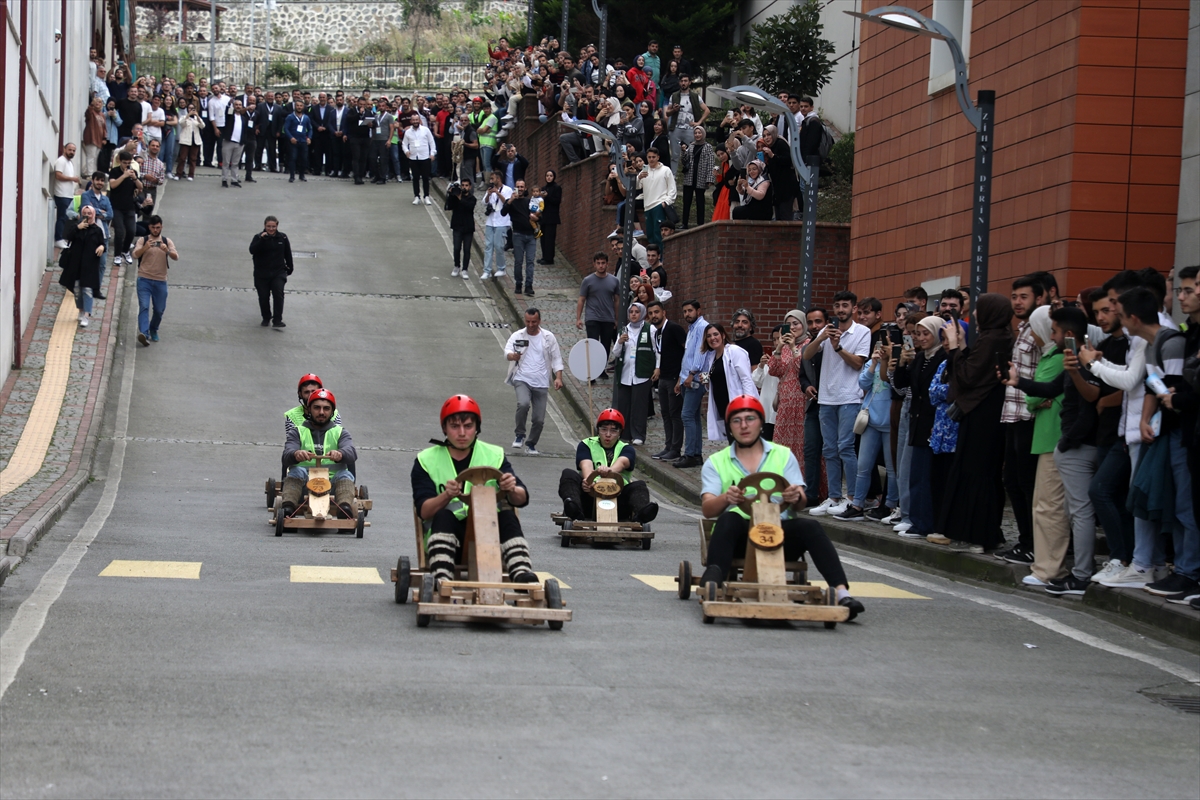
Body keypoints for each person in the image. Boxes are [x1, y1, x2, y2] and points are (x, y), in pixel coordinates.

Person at [697, 395, 864, 620]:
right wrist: (727, 498)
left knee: (811, 526)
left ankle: (842, 592)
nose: (744, 426)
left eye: (750, 419)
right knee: (729, 520)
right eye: (737, 421)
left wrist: (796, 496)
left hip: (778, 533)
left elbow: (802, 502)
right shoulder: (717, 461)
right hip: (739, 538)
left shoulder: (783, 455)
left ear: (760, 422)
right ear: (730, 427)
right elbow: (708, 508)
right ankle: (713, 580)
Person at [1004, 306, 1103, 594]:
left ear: (1069, 334)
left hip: (1070, 440)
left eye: (1056, 331)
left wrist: (1068, 439)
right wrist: (1018, 381)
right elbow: (1049, 390)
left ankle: (1062, 570)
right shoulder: (1069, 358)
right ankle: (1058, 568)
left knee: (1068, 509)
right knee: (1057, 507)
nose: (1051, 335)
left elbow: (1089, 402)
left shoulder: (1081, 359)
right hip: (1062, 440)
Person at [1111, 287, 1198, 600]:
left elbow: (1175, 390)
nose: (1119, 323)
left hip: (1178, 434)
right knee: (1173, 504)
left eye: (1120, 316)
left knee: (1185, 506)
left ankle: (1188, 570)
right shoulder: (1151, 344)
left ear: (1134, 318)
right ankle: (1182, 569)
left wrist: (1156, 418)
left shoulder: (1171, 341)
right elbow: (1154, 388)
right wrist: (1146, 421)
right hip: (1164, 432)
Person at [411, 395, 538, 586]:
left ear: (476, 428)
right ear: (444, 428)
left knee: (508, 516)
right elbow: (424, 511)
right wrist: (446, 495)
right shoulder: (425, 461)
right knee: (443, 516)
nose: (462, 433)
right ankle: (442, 578)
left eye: (468, 426)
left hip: (489, 536)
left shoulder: (494, 455)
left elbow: (522, 498)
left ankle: (521, 573)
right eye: (454, 427)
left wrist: (511, 488)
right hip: (448, 536)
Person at [935, 294, 1014, 553]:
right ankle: (985, 532)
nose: (977, 315)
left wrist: (957, 346)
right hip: (985, 410)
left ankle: (981, 534)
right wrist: (963, 348)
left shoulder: (993, 339)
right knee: (981, 473)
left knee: (978, 472)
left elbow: (968, 376)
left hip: (984, 413)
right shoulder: (995, 337)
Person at [804, 291, 870, 515]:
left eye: (845, 305)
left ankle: (851, 498)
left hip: (849, 397)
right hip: (826, 398)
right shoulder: (825, 331)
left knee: (846, 448)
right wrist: (821, 339)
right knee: (829, 449)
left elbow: (858, 363)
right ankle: (834, 496)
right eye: (837, 306)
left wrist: (838, 346)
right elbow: (806, 356)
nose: (841, 309)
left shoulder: (862, 332)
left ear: (854, 308)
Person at [996, 276, 1046, 564]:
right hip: (1011, 413)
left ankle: (1033, 544)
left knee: (1027, 484)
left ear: (1039, 299)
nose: (1017, 302)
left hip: (1031, 415)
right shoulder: (1022, 330)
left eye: (1023, 296)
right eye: (1014, 296)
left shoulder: (1041, 331)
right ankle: (1024, 541)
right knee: (1012, 481)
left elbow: (1047, 371)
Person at [558, 409, 659, 523]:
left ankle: (642, 514)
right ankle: (574, 510)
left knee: (639, 485)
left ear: (620, 432)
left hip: (617, 500)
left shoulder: (627, 448)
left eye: (613, 431)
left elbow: (623, 462)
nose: (608, 434)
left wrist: (609, 471)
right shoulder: (586, 444)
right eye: (604, 429)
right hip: (590, 499)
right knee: (568, 474)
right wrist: (588, 481)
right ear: (598, 430)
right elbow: (586, 464)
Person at [837, 343, 900, 522]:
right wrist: (873, 364)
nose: (882, 350)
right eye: (880, 346)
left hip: (889, 423)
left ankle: (890, 505)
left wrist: (889, 361)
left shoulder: (895, 364)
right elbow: (863, 383)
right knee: (863, 466)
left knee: (891, 468)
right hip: (870, 420)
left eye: (885, 346)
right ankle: (857, 504)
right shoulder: (873, 363)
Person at [281, 389, 358, 519]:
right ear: (309, 409)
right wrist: (296, 453)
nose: (321, 412)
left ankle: (344, 508)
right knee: (296, 471)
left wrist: (340, 453)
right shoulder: (297, 432)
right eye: (317, 408)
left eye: (326, 408)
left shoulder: (341, 432)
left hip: (332, 486)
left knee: (345, 474)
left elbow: (351, 452)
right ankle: (288, 507)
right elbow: (287, 454)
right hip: (304, 484)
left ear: (332, 411)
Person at [504, 308, 564, 456]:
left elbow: (556, 358)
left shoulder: (548, 338)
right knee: (523, 404)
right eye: (528, 321)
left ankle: (531, 443)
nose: (530, 325)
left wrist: (558, 377)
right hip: (522, 377)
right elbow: (507, 351)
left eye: (534, 322)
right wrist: (513, 356)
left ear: (539, 321)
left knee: (539, 419)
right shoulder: (518, 335)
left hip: (541, 382)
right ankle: (520, 434)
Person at [700, 323, 759, 442]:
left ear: (722, 335)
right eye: (709, 336)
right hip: (724, 408)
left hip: (738, 406)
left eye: (716, 334)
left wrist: (747, 405)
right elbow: (718, 381)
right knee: (733, 443)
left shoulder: (734, 351)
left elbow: (746, 379)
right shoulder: (712, 357)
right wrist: (706, 382)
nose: (712, 338)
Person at [647, 300, 686, 461]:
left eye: (656, 312)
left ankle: (676, 449)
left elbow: (686, 352)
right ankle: (668, 446)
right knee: (665, 413)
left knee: (675, 414)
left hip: (674, 378)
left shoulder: (674, 329)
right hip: (663, 378)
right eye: (650, 313)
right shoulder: (657, 332)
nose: (653, 316)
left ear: (664, 312)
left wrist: (680, 377)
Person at [132, 215, 179, 346]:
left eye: (158, 228)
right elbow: (135, 255)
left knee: (159, 309)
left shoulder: (166, 241)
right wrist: (145, 247)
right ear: (149, 227)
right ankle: (144, 333)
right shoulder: (143, 240)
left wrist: (167, 250)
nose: (155, 230)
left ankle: (153, 329)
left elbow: (176, 257)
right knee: (144, 306)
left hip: (160, 280)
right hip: (144, 279)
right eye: (153, 228)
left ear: (161, 227)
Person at [58, 206, 106, 328]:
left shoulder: (97, 230)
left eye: (89, 213)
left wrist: (102, 247)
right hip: (76, 264)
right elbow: (68, 237)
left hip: (90, 265)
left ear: (93, 214)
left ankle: (86, 314)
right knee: (77, 289)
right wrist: (77, 228)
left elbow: (102, 243)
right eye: (85, 213)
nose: (87, 216)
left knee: (87, 290)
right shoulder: (76, 227)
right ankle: (80, 310)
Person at [674, 299, 709, 468]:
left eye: (690, 311)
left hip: (695, 378)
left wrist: (691, 373)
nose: (687, 314)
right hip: (687, 377)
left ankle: (689, 454)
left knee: (687, 415)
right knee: (693, 416)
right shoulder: (692, 328)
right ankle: (696, 454)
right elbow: (688, 354)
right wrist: (681, 377)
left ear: (698, 311)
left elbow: (701, 352)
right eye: (685, 311)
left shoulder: (702, 327)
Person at [576, 252, 621, 380]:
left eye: (603, 263)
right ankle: (592, 372)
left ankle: (601, 368)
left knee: (605, 345)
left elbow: (616, 300)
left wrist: (616, 318)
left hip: (608, 318)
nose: (601, 266)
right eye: (598, 263)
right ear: (594, 264)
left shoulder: (614, 281)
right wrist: (578, 318)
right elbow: (581, 299)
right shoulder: (588, 281)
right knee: (593, 344)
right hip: (592, 317)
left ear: (607, 264)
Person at [249, 215, 294, 329]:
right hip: (261, 274)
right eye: (268, 226)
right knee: (263, 297)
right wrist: (261, 240)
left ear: (277, 226)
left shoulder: (282, 238)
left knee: (278, 294)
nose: (271, 229)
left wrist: (290, 267)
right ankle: (266, 317)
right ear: (265, 226)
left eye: (273, 226)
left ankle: (277, 320)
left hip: (278, 272)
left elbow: (287, 253)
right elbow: (252, 250)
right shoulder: (258, 237)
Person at [502, 179, 540, 296]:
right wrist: (511, 200)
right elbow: (503, 212)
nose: (520, 189)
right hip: (518, 235)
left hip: (531, 236)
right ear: (515, 188)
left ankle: (529, 285)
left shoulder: (530, 201)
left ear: (525, 188)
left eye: (522, 186)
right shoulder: (511, 202)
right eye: (518, 186)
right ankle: (518, 283)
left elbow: (539, 216)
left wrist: (536, 219)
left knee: (530, 261)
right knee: (518, 261)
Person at [107, 149, 142, 267]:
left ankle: (125, 251)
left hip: (129, 207)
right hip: (116, 207)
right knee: (120, 231)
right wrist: (124, 176)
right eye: (125, 162)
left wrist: (134, 179)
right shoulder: (115, 172)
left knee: (132, 231)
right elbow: (112, 185)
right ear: (120, 162)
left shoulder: (133, 173)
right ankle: (117, 255)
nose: (127, 165)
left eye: (129, 163)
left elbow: (140, 187)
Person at [637, 148, 676, 249]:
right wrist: (639, 177)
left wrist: (666, 202)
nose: (651, 159)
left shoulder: (666, 170)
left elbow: (672, 189)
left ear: (658, 157)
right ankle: (653, 258)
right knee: (650, 234)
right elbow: (637, 186)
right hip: (647, 206)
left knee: (659, 234)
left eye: (653, 157)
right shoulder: (644, 171)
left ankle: (662, 258)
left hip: (659, 205)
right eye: (649, 157)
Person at [481, 170, 513, 279]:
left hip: (502, 221)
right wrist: (489, 194)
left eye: (492, 178)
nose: (491, 180)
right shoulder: (490, 189)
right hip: (490, 221)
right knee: (488, 246)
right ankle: (487, 270)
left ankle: (501, 268)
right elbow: (484, 202)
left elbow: (507, 203)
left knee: (499, 246)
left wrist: (498, 193)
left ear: (498, 179)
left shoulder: (507, 189)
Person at [445, 177, 477, 278]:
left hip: (468, 227)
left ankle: (465, 269)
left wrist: (460, 198)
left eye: (466, 186)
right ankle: (457, 266)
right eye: (462, 185)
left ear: (470, 187)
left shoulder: (472, 199)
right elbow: (448, 207)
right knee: (457, 248)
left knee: (467, 249)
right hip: (457, 226)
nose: (464, 188)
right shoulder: (455, 197)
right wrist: (450, 195)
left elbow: (469, 207)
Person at [402, 112, 437, 203]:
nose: (415, 121)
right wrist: (406, 151)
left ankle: (426, 196)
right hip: (413, 158)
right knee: (415, 178)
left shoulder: (426, 130)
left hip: (425, 157)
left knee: (425, 178)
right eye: (413, 120)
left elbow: (432, 142)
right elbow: (404, 144)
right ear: (411, 121)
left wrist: (432, 153)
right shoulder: (408, 132)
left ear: (419, 120)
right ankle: (417, 196)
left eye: (416, 120)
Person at [53, 143, 81, 253]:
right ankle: (58, 238)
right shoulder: (61, 161)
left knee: (65, 217)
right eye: (70, 150)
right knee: (62, 217)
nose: (72, 152)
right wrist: (72, 178)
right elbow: (58, 175)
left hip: (68, 194)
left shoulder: (69, 162)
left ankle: (61, 238)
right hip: (61, 194)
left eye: (74, 150)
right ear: (64, 149)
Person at [220, 98, 250, 188]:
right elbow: (227, 111)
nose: (238, 106)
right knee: (226, 162)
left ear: (242, 106)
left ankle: (234, 180)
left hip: (239, 143)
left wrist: (243, 142)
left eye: (239, 105)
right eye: (236, 105)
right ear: (233, 106)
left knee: (235, 163)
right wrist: (230, 103)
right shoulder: (230, 115)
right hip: (228, 142)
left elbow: (245, 131)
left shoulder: (244, 118)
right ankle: (224, 179)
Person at [285, 100, 314, 183]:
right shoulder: (290, 117)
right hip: (293, 141)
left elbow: (310, 129)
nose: (299, 107)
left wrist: (309, 138)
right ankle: (292, 176)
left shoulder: (306, 118)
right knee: (293, 158)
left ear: (303, 107)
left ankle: (302, 175)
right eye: (297, 105)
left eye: (301, 106)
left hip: (303, 141)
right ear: (295, 107)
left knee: (304, 159)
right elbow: (286, 129)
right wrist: (291, 138)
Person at [538, 169, 562, 265]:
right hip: (543, 217)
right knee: (543, 238)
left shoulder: (557, 188)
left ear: (554, 177)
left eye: (551, 176)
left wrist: (547, 196)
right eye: (547, 175)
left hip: (552, 217)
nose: (548, 177)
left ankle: (549, 258)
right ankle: (544, 256)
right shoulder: (543, 188)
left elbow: (557, 201)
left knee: (549, 239)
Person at [175, 102, 204, 180]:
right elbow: (181, 123)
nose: (191, 110)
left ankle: (191, 174)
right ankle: (179, 173)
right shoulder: (184, 117)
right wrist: (188, 115)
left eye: (192, 108)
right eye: (189, 108)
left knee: (193, 159)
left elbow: (202, 126)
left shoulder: (197, 118)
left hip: (195, 141)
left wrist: (197, 116)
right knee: (182, 158)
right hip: (185, 140)